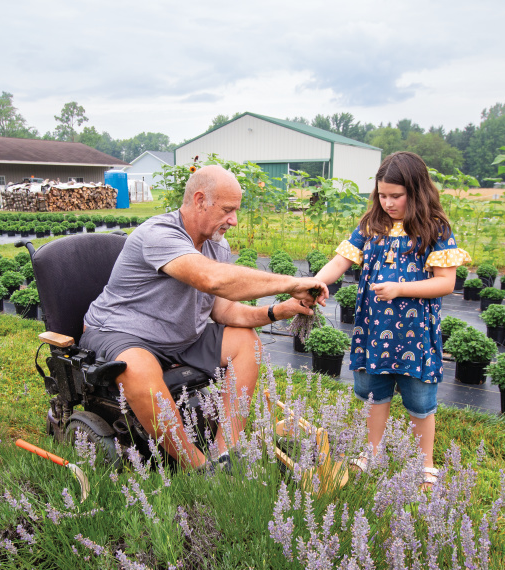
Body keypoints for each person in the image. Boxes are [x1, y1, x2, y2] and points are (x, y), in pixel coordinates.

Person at [81, 165, 328, 470]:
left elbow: (224, 311)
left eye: (235, 211)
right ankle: (196, 465)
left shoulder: (216, 246)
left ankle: (226, 453)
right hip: (121, 331)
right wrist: (293, 282)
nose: (233, 220)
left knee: (245, 342)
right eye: (227, 210)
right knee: (136, 368)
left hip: (181, 337)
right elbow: (211, 279)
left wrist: (278, 310)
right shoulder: (159, 234)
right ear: (199, 200)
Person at [315, 152, 471, 486]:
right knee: (375, 395)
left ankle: (424, 463)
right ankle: (372, 453)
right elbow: (340, 261)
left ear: (416, 192)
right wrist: (313, 283)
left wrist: (400, 289)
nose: (387, 202)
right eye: (382, 194)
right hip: (374, 331)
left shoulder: (434, 228)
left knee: (420, 402)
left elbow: (446, 282)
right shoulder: (371, 225)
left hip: (415, 334)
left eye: (396, 196)